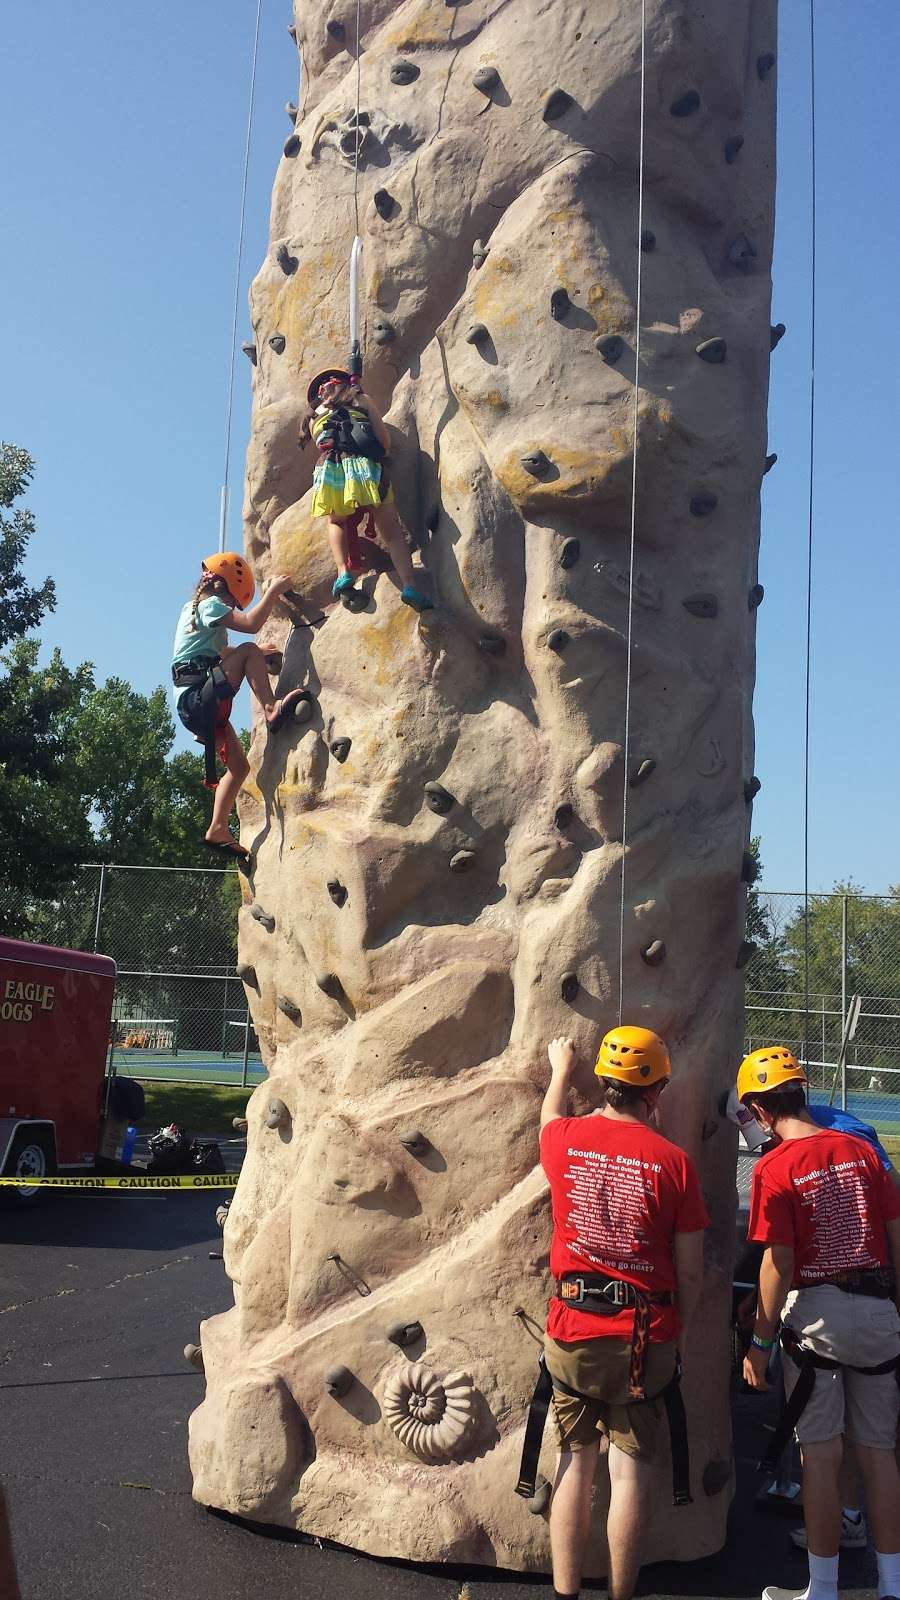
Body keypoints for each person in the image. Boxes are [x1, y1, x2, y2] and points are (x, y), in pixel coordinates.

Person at [538, 1027, 708, 1600]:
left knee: (574, 1464)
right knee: (629, 1472)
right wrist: (678, 1332)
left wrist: (561, 1069)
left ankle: (565, 1593)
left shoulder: (564, 1140)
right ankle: (620, 1595)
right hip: (643, 1336)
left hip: (573, 1328)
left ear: (605, 1085)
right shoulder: (674, 1164)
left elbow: (547, 1119)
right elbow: (688, 1270)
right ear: (655, 1091)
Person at [739, 1045, 900, 1600]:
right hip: (879, 1313)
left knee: (822, 1458)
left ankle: (824, 1591)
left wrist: (759, 1343)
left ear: (761, 1111)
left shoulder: (774, 1167)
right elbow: (896, 1237)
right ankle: (893, 1587)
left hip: (818, 1323)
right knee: (879, 1452)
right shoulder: (863, 1150)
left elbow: (777, 1263)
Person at [171, 553, 307, 861]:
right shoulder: (211, 606)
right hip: (200, 698)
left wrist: (255, 653)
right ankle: (272, 708)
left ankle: (217, 827)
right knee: (248, 651)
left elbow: (220, 651)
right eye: (232, 600)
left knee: (240, 768)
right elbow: (252, 624)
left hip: (195, 706)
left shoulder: (193, 611)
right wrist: (272, 592)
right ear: (223, 588)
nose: (232, 608)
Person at [300, 368, 433, 611]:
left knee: (337, 522)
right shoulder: (361, 399)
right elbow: (384, 441)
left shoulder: (313, 416)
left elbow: (321, 444)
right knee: (392, 534)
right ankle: (409, 585)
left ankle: (343, 572)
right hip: (365, 468)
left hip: (330, 472)